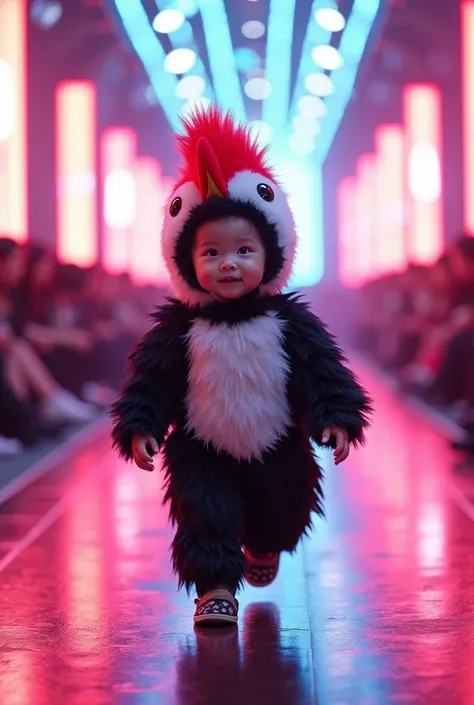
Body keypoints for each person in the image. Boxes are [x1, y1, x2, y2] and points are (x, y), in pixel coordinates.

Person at [110, 108, 372, 627]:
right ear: (186, 260)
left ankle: (265, 545)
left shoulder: (290, 323)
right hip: (200, 446)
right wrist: (140, 425)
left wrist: (337, 415)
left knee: (282, 511)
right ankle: (215, 590)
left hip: (276, 443)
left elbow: (322, 371)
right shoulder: (179, 329)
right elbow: (151, 381)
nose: (228, 263)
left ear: (272, 254)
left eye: (243, 250)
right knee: (204, 514)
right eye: (211, 252)